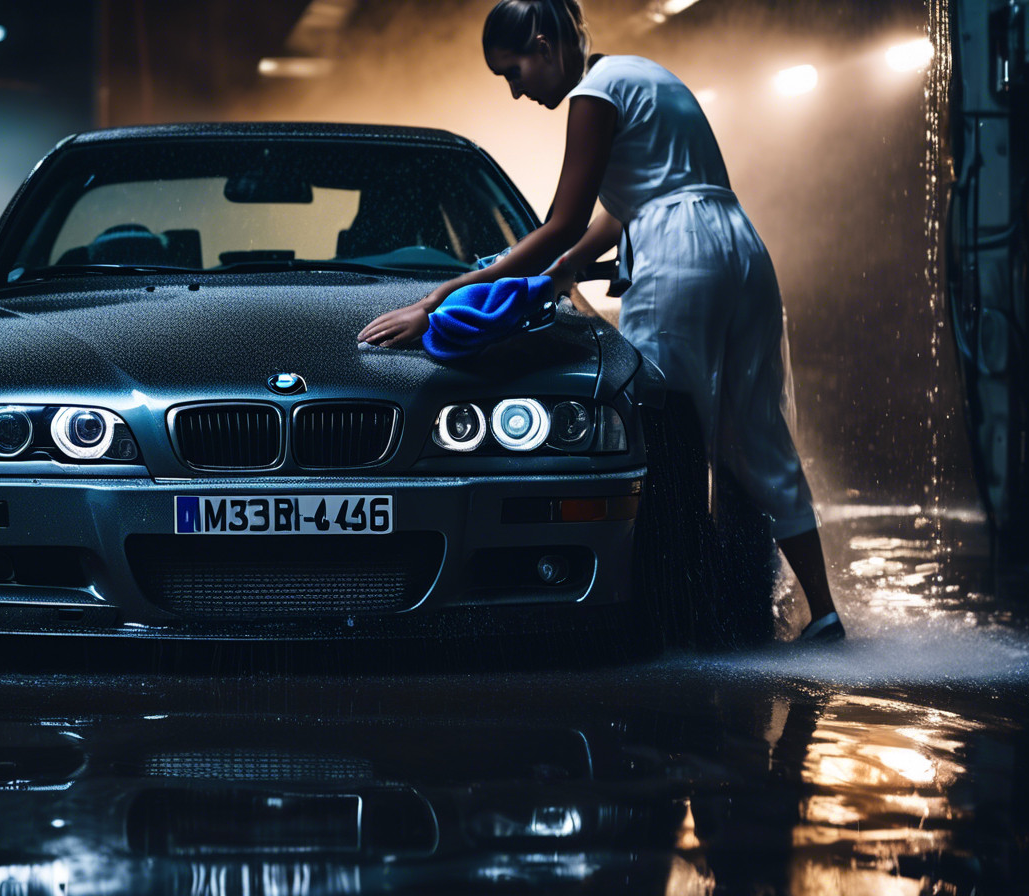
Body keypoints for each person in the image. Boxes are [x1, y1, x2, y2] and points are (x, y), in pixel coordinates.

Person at [356, 0, 845, 643]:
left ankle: (676, 615)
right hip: (739, 246)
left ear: (541, 42)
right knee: (754, 431)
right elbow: (616, 215)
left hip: (679, 255)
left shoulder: (593, 93)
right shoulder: (643, 74)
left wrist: (438, 299)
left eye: (513, 71)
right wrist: (565, 268)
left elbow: (562, 221)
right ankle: (819, 611)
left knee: (662, 429)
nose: (516, 91)